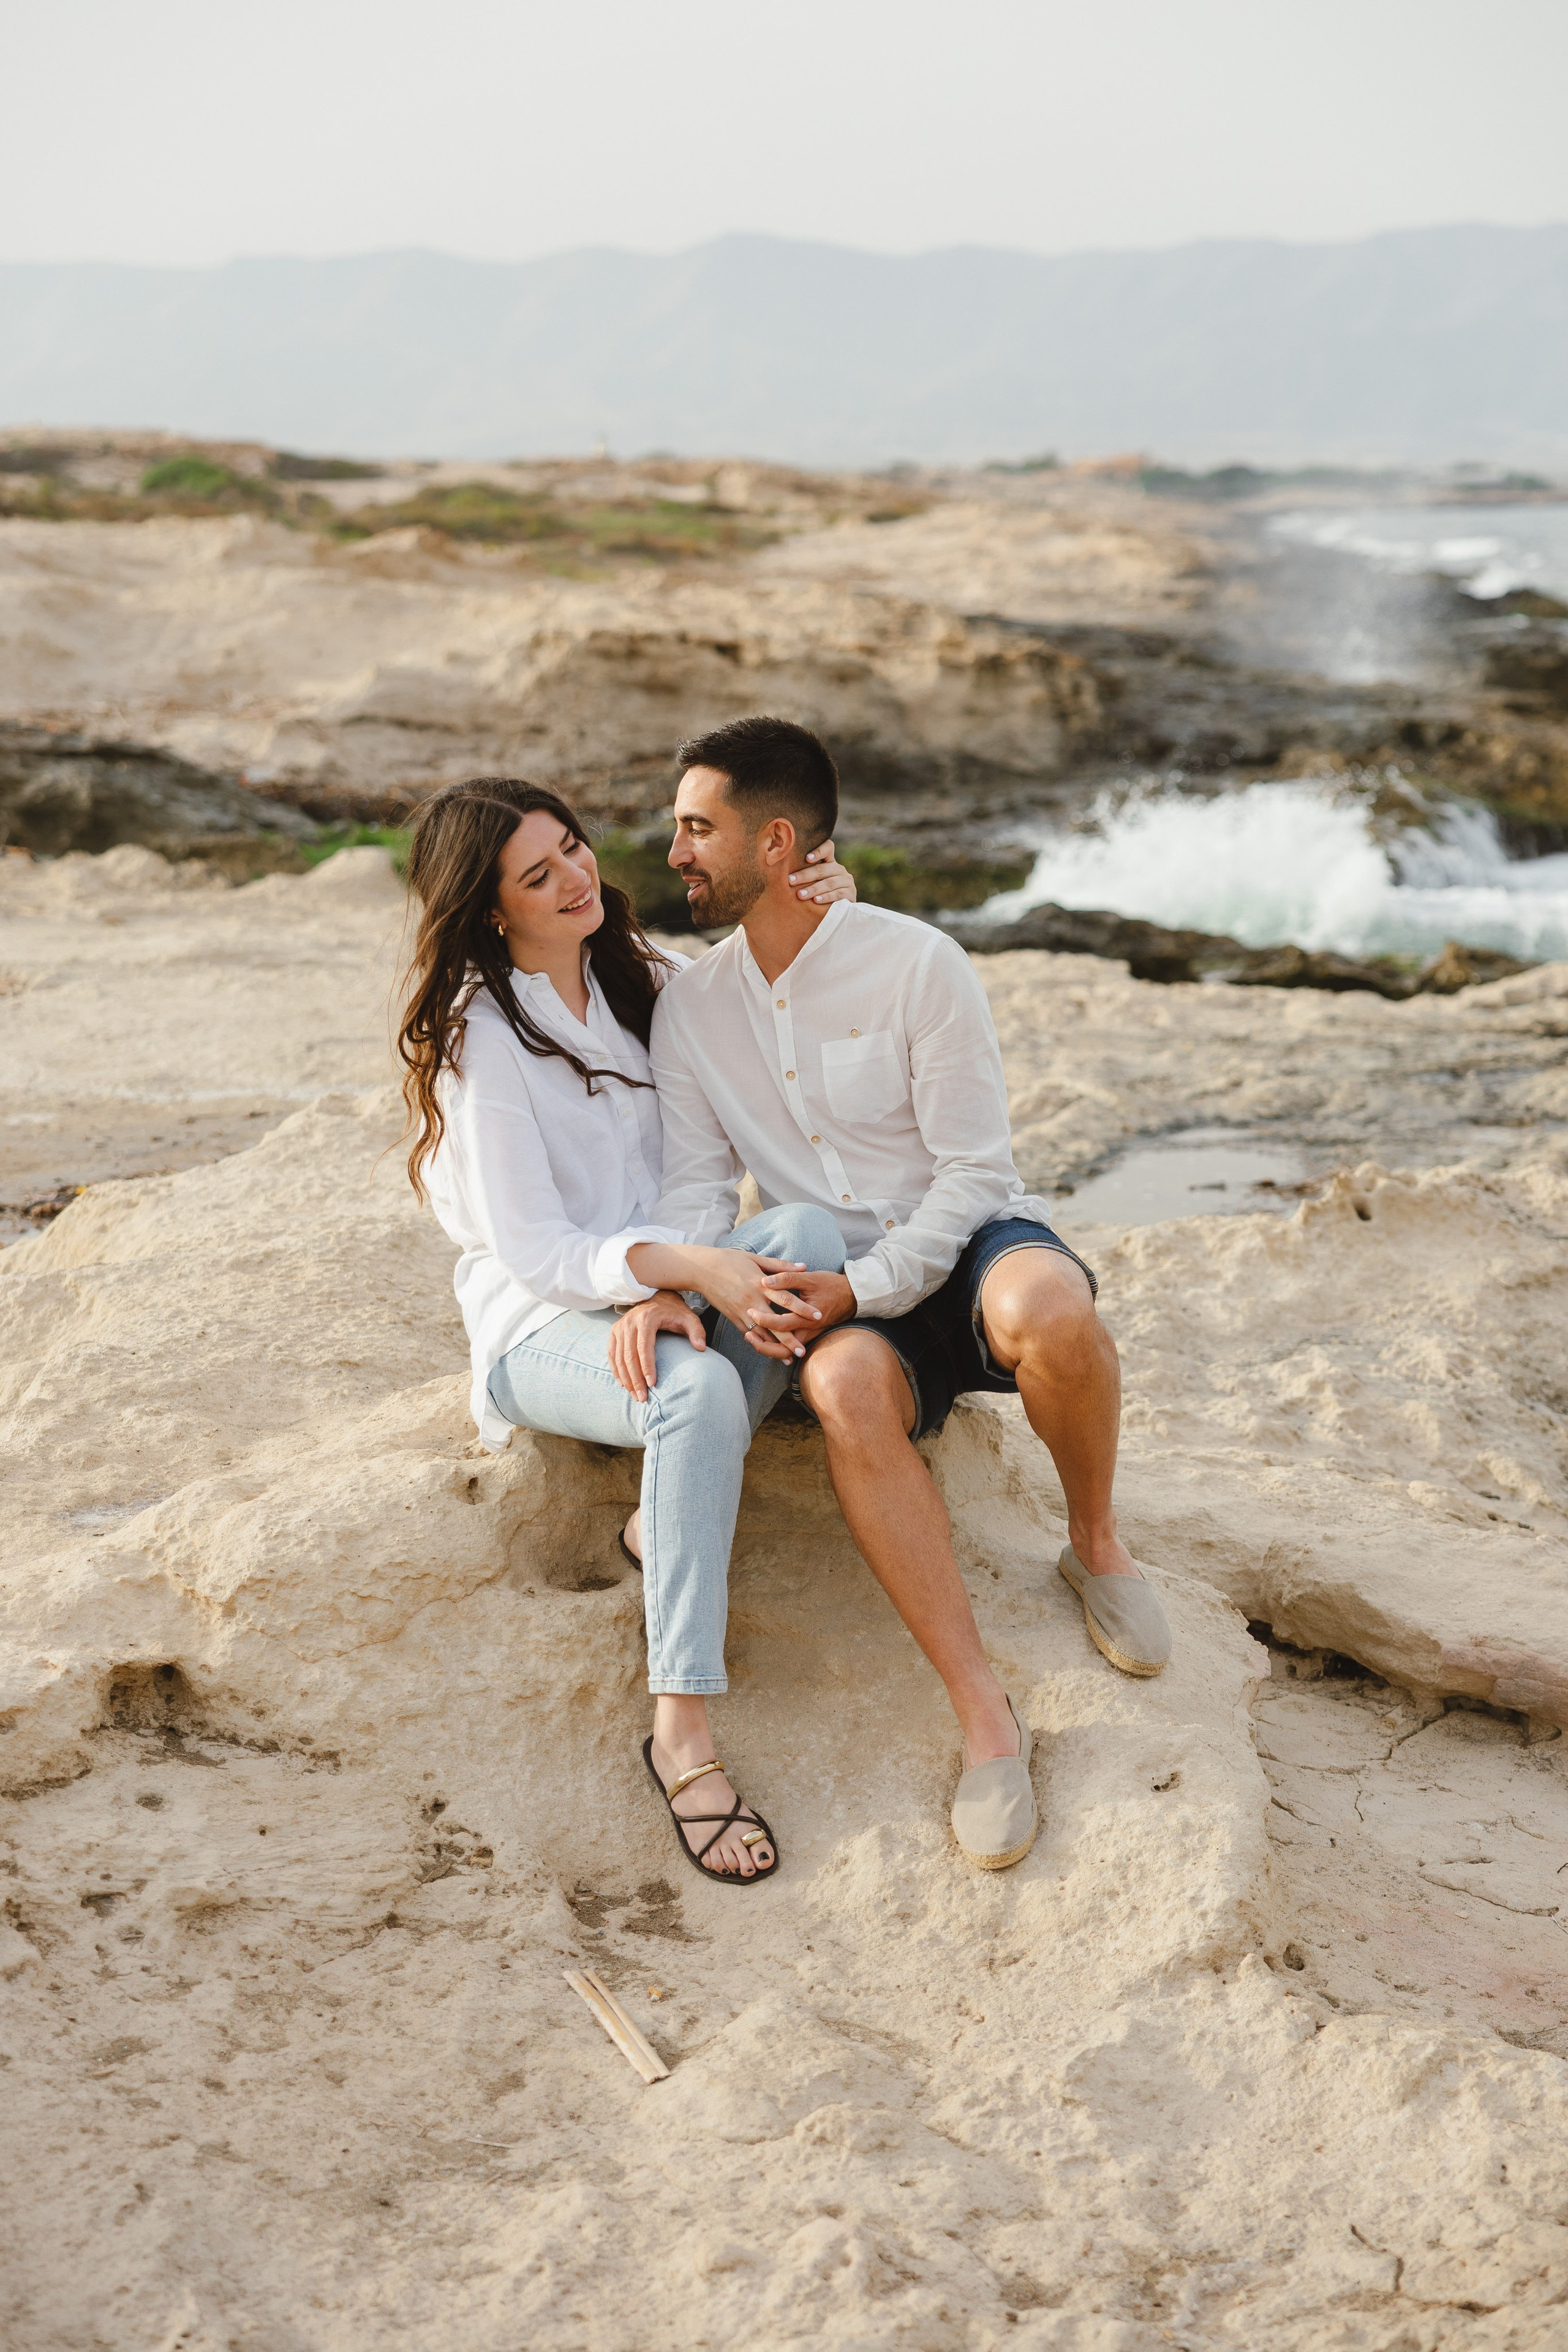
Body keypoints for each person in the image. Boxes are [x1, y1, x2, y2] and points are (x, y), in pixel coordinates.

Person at [634, 715, 1172, 1874]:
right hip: (832, 1291)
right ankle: (986, 1716)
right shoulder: (691, 1006)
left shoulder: (915, 959)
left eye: (695, 828)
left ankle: (1096, 1545)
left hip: (962, 1241)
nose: (673, 850)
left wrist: (865, 1281)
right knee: (843, 1385)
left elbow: (978, 1171)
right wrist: (684, 1284)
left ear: (776, 843)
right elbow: (691, 1187)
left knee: (1055, 1310)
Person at [398, 777, 860, 1886]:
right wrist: (650, 1282)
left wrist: (826, 913)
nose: (574, 879)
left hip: (659, 1297)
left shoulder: (640, 977)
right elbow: (537, 1250)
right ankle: (683, 1731)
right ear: (491, 907)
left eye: (574, 848)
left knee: (810, 1231)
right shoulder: (480, 1036)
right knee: (696, 1395)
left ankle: (666, 1514)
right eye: (537, 873)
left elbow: (760, 1019)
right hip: (540, 1325)